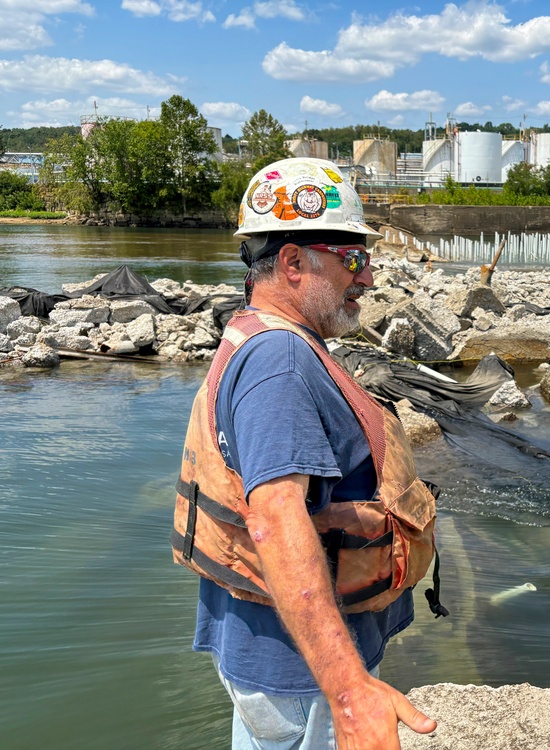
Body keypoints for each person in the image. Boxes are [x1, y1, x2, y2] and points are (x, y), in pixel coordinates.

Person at [171, 157, 444, 750]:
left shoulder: (258, 335)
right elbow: (275, 519)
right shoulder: (280, 362)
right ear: (293, 261)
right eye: (353, 259)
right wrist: (348, 693)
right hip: (304, 679)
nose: (367, 278)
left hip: (276, 659)